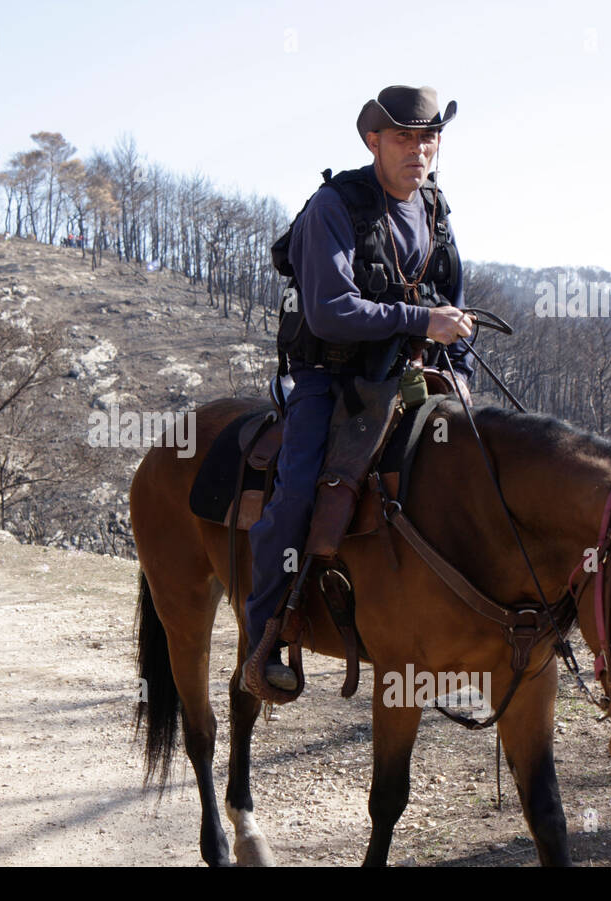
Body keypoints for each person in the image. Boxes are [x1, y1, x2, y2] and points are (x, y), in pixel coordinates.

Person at [242, 86, 476, 694]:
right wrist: (421, 322)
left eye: (428, 138)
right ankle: (263, 637)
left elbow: (449, 301)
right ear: (373, 141)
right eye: (403, 137)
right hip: (330, 376)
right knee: (295, 496)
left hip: (411, 369)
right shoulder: (333, 206)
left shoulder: (435, 209)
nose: (417, 150)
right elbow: (329, 311)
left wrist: (457, 368)